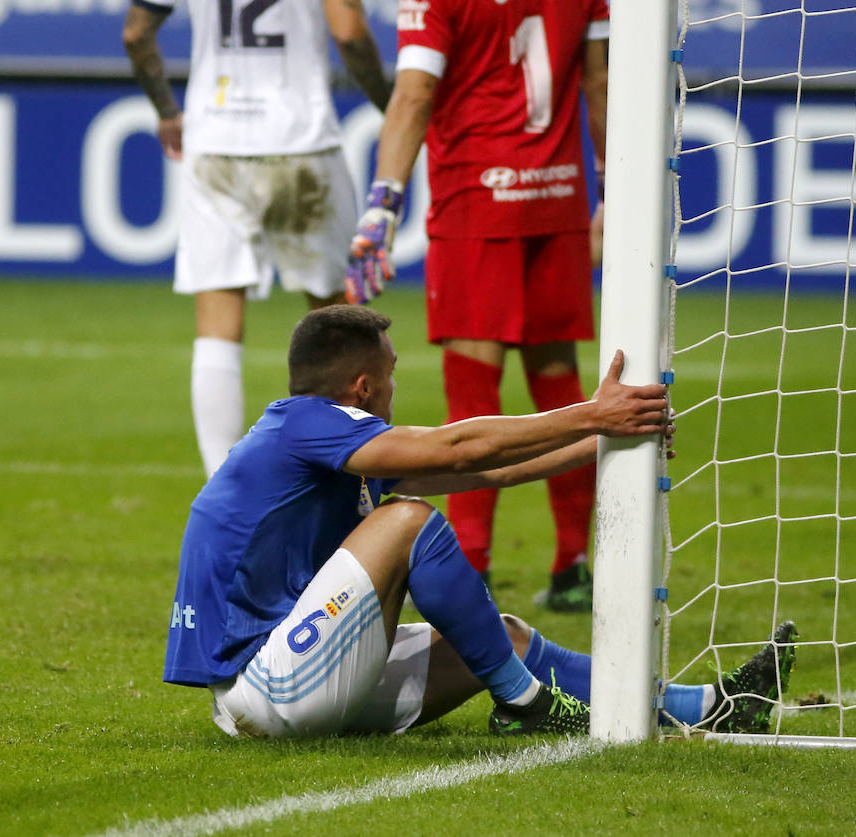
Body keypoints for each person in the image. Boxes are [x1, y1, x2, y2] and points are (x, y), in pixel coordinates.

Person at [163, 305, 798, 737]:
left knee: (502, 638)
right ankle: (523, 703)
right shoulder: (308, 425)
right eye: (388, 377)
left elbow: (485, 472)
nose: (391, 391)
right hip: (268, 684)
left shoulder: (314, 444)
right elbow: (457, 448)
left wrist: (610, 441)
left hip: (285, 678)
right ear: (360, 387)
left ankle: (706, 709)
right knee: (408, 520)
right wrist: (590, 414)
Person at [343, 0, 611, 610]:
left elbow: (414, 94)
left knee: (472, 393)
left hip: (475, 201)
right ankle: (574, 565)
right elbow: (598, 80)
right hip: (557, 198)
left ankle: (474, 565)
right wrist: (610, 189)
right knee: (561, 387)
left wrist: (383, 202)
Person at [122, 0, 391, 479]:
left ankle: (222, 491)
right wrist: (391, 106)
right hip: (302, 140)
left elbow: (136, 35)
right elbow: (349, 34)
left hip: (217, 137)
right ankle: (357, 476)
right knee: (338, 320)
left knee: (217, 325)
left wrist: (166, 109)